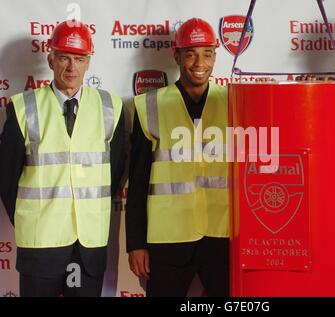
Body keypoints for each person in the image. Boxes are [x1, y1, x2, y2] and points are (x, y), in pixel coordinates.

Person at [0, 20, 125, 297]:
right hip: (40, 245)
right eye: (64, 58)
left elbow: (115, 173)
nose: (72, 67)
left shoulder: (111, 107)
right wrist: (31, 218)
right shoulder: (22, 108)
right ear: (51, 59)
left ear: (88, 62)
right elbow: (6, 180)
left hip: (87, 247)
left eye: (79, 59)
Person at [126, 18, 229, 297]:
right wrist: (136, 243)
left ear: (215, 57)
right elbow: (137, 181)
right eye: (191, 53)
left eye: (207, 54)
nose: (200, 62)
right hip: (167, 239)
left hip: (223, 237)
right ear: (177, 56)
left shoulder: (234, 101)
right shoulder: (149, 105)